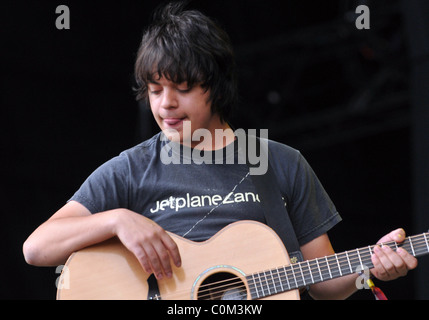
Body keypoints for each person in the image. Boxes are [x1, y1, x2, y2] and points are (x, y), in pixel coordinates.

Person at [23, 2, 417, 300]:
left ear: (216, 85)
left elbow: (320, 282)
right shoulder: (131, 169)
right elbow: (37, 247)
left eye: (183, 88)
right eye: (156, 90)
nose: (165, 105)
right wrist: (118, 221)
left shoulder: (280, 163)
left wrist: (370, 268)